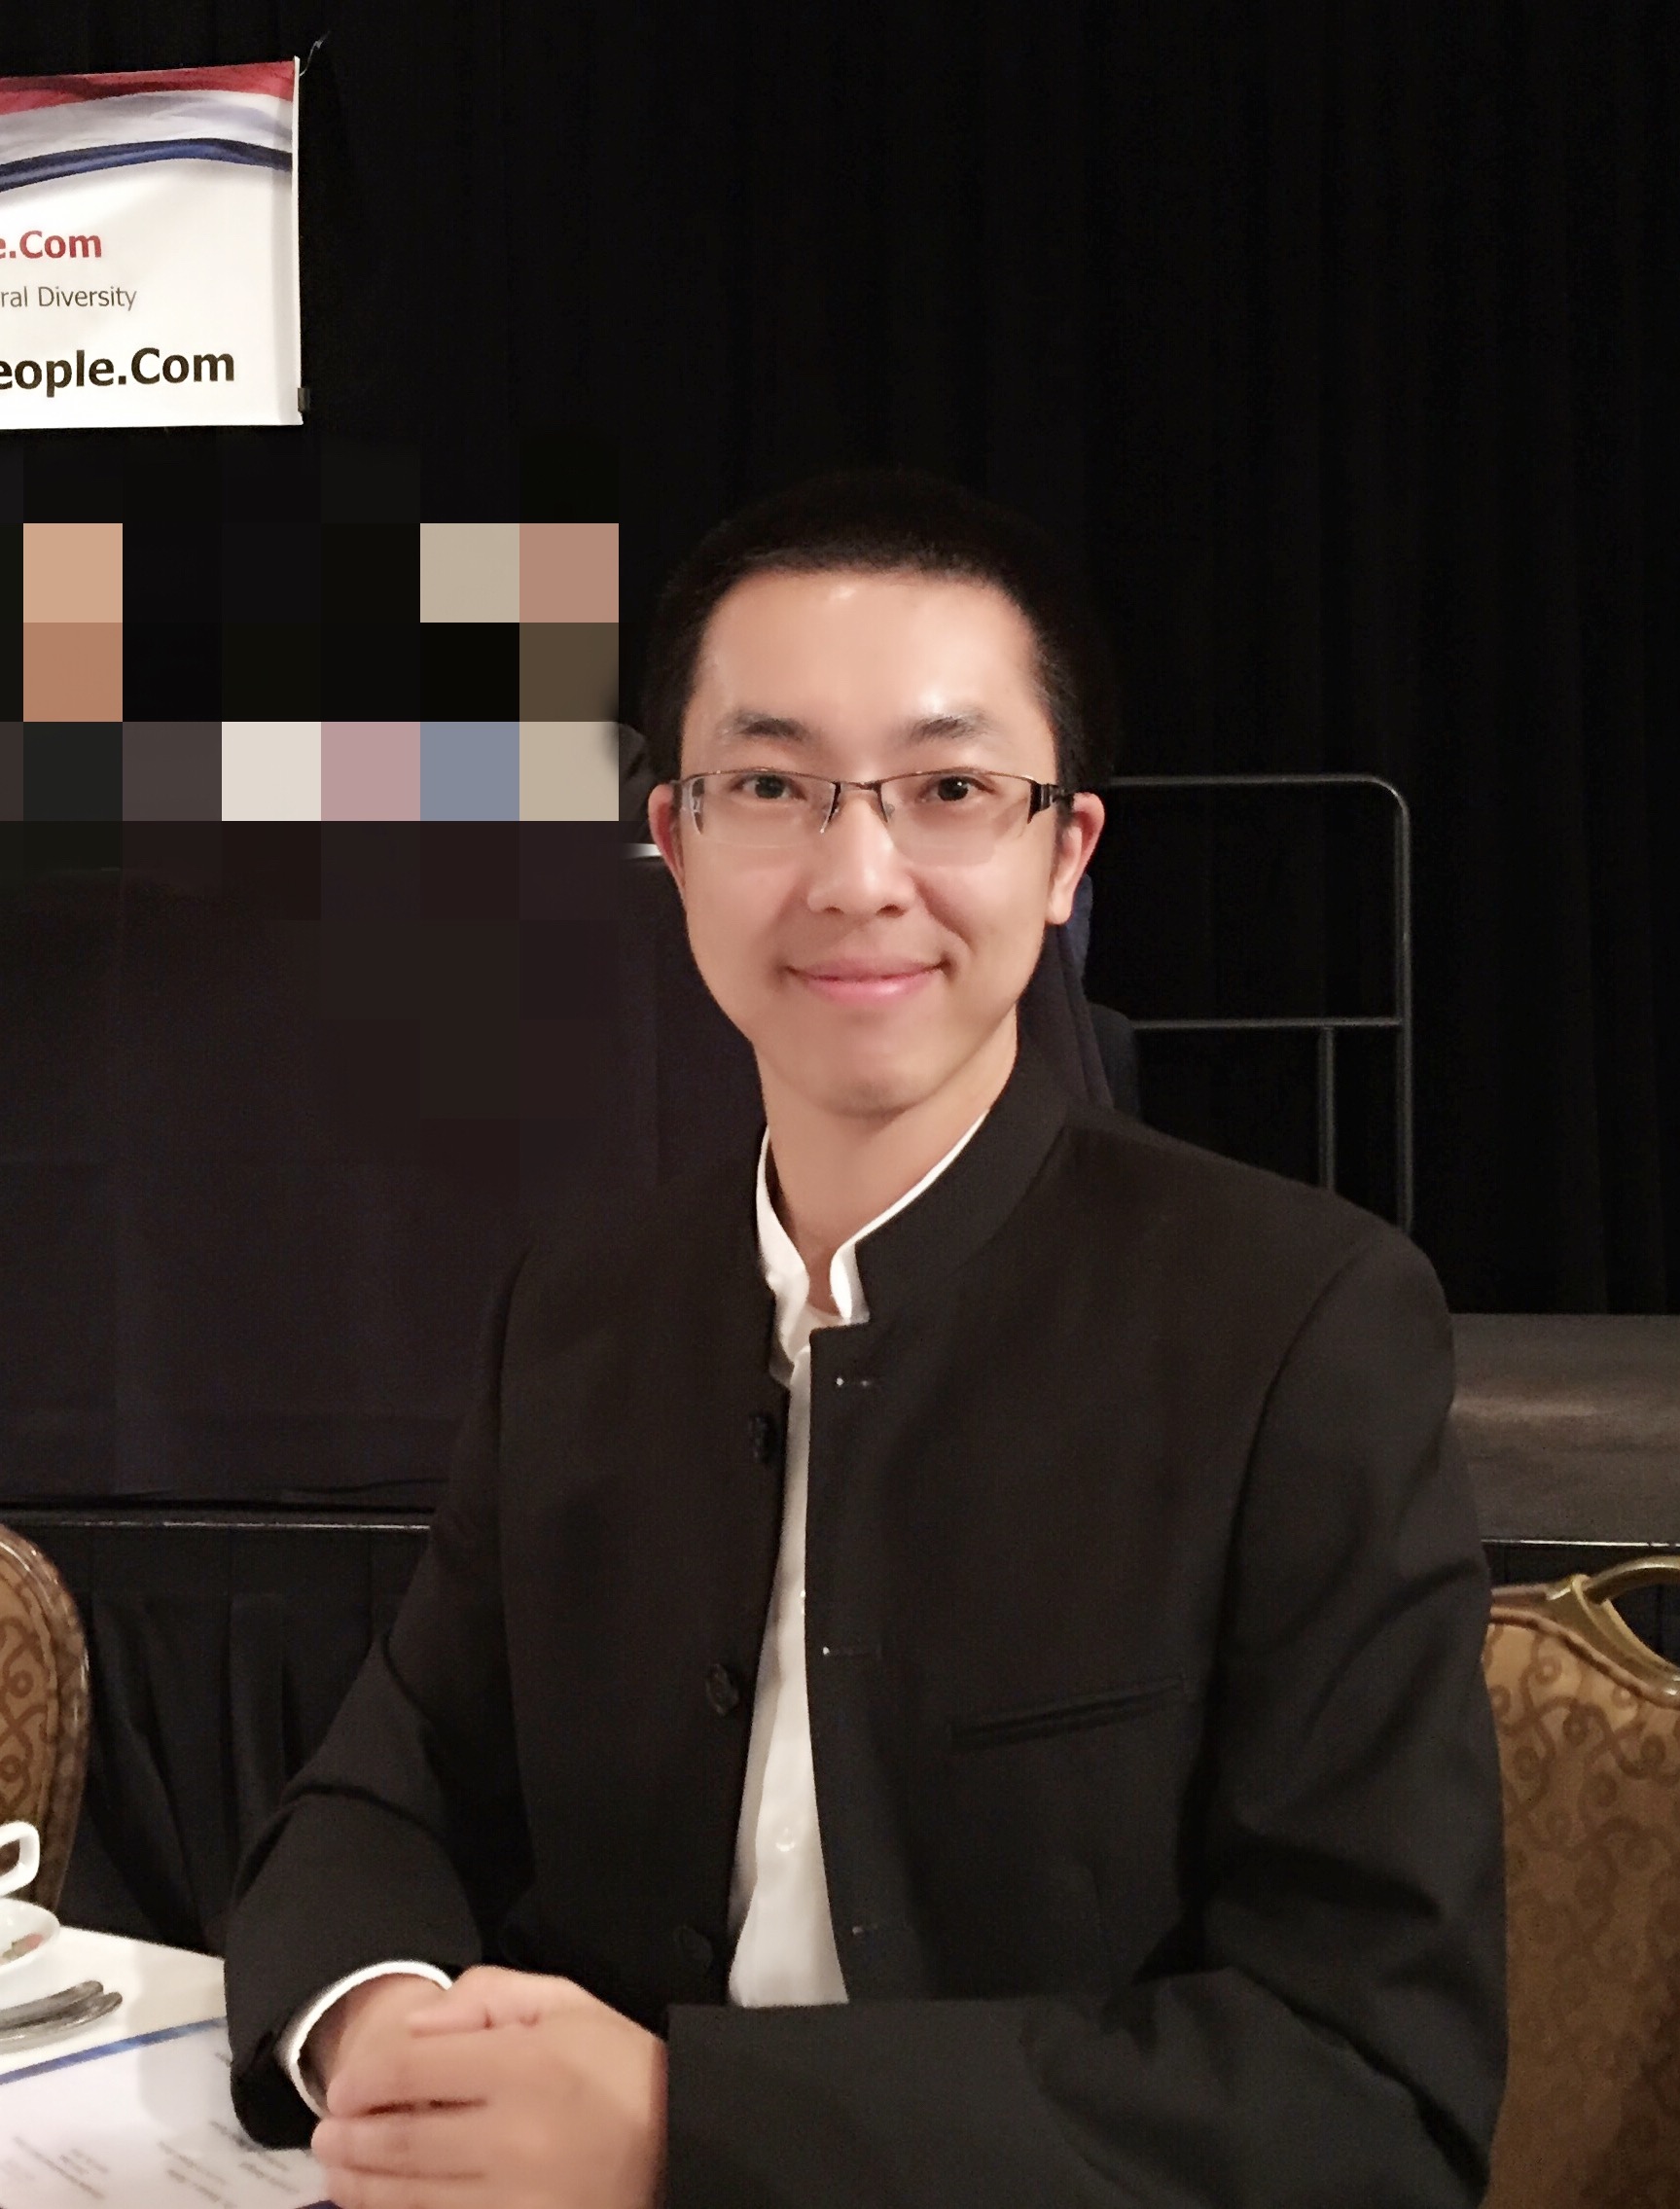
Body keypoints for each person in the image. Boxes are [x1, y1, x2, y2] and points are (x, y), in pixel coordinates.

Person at [225, 468, 1507, 2206]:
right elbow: (376, 1802)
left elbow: (1367, 2093)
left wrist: (685, 2128)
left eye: (950, 789)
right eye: (771, 786)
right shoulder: (580, 1312)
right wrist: (379, 2028)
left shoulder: (1297, 1325)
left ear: (1065, 855)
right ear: (674, 841)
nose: (856, 876)